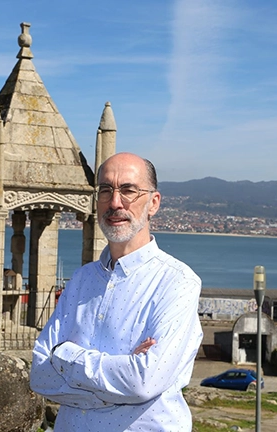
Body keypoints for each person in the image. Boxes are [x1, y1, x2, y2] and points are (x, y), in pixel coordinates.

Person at [30, 152, 203, 431]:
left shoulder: (177, 282)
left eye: (128, 190)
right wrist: (120, 383)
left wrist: (64, 355)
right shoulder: (81, 280)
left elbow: (143, 383)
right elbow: (39, 375)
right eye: (105, 190)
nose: (114, 202)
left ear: (153, 203)